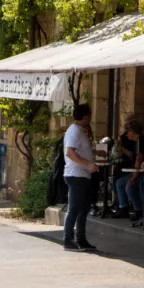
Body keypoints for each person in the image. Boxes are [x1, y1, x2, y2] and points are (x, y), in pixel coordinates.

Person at [61, 102, 98, 252]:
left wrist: (94, 155)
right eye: (89, 115)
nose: (90, 118)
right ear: (84, 117)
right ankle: (68, 238)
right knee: (75, 208)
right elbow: (70, 152)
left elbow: (80, 151)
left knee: (83, 209)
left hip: (83, 175)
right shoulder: (74, 130)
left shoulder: (78, 131)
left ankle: (81, 239)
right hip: (76, 175)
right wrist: (88, 164)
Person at [114, 119, 144, 222]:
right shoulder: (136, 142)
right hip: (137, 171)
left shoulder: (141, 141)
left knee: (129, 185)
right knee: (119, 182)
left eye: (129, 131)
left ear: (133, 131)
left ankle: (139, 210)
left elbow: (138, 159)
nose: (127, 134)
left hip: (143, 172)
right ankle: (123, 207)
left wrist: (134, 176)